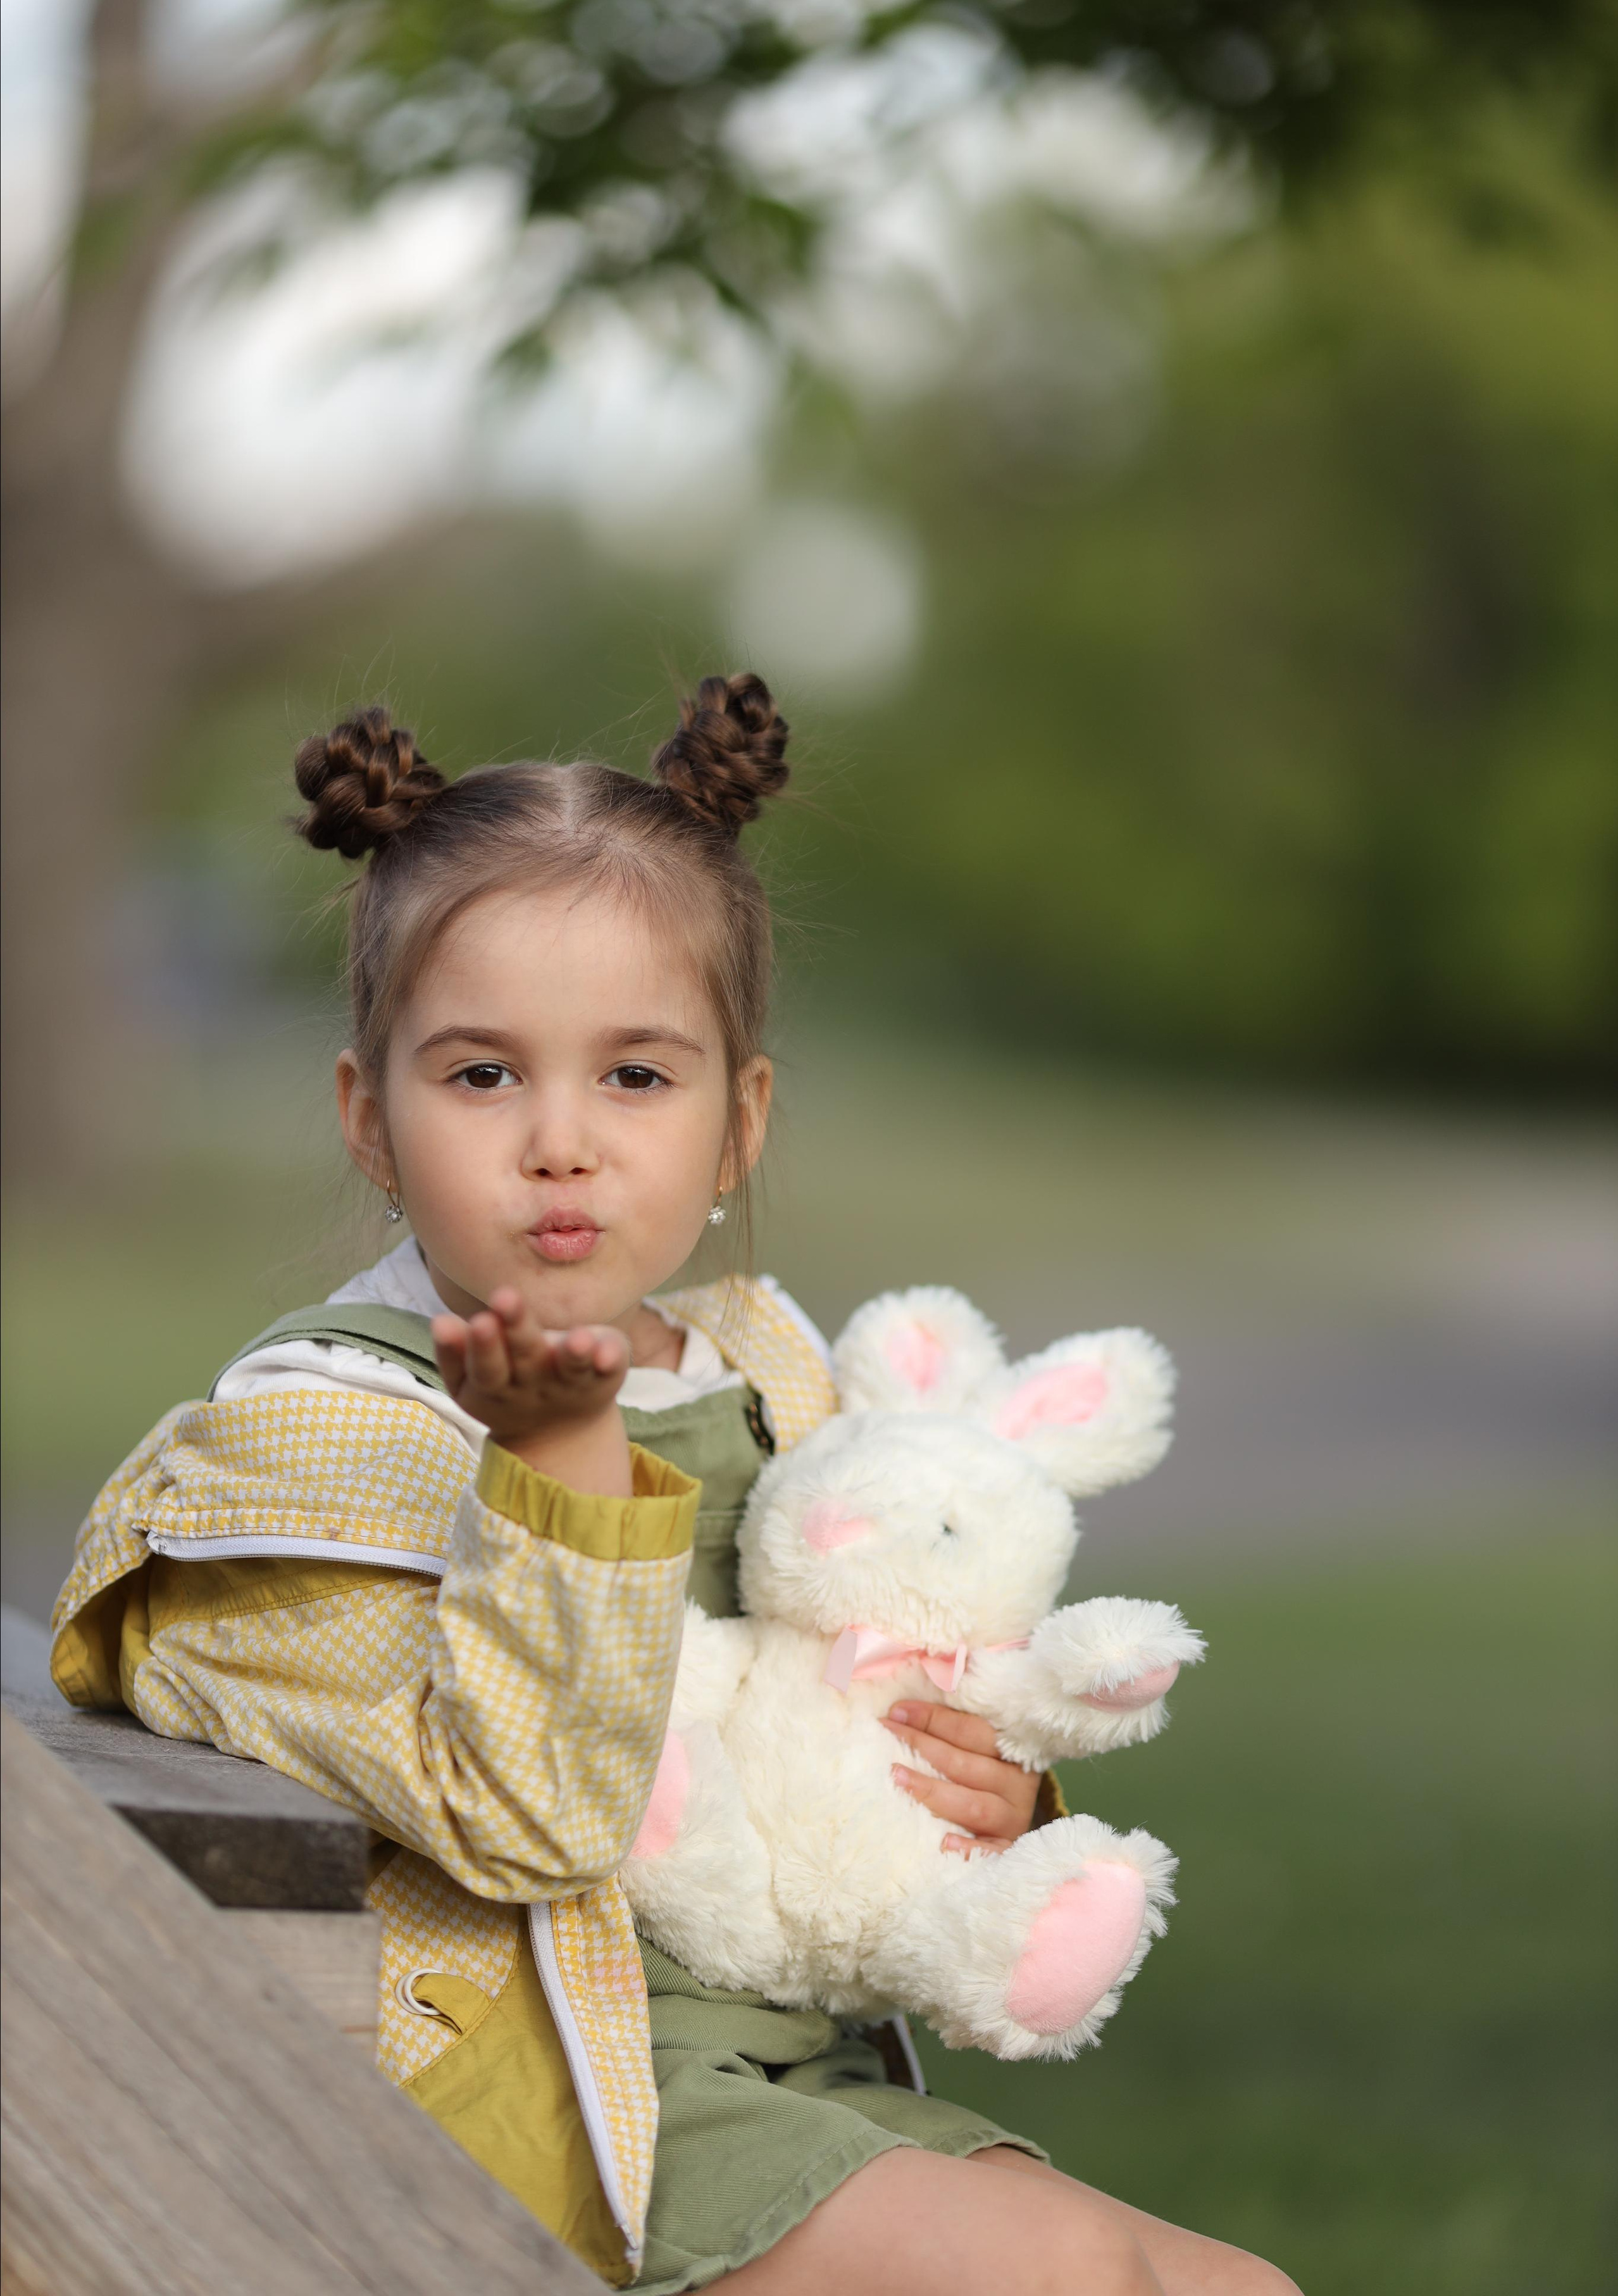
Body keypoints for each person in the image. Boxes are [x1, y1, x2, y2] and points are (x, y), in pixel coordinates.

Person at [52, 679, 1297, 2296]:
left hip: (775, 2074)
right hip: (534, 2108)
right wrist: (560, 1474)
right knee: (1069, 2277)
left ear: (736, 1126)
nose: (561, 1141)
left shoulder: (759, 1371)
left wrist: (984, 1800)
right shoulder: (306, 1451)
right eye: (482, 1075)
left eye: (636, 1077)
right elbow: (528, 1826)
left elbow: (834, 1708)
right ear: (370, 1118)